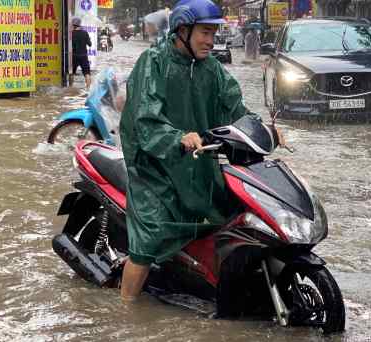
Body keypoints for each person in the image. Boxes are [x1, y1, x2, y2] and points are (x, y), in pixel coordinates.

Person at [118, 0, 283, 301]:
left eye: (213, 33)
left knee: (234, 215)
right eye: (204, 33)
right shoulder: (153, 62)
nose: (211, 40)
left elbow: (235, 108)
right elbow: (145, 119)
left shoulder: (213, 69)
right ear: (183, 31)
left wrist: (261, 129)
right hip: (154, 169)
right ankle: (126, 310)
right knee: (148, 240)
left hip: (199, 164)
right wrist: (177, 137)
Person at [70, 18, 92, 89]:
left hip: (73, 56)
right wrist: (88, 39)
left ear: (73, 24)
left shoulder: (71, 33)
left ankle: (70, 88)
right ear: (80, 24)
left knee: (71, 73)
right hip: (83, 56)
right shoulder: (85, 33)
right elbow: (90, 44)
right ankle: (88, 89)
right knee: (87, 73)